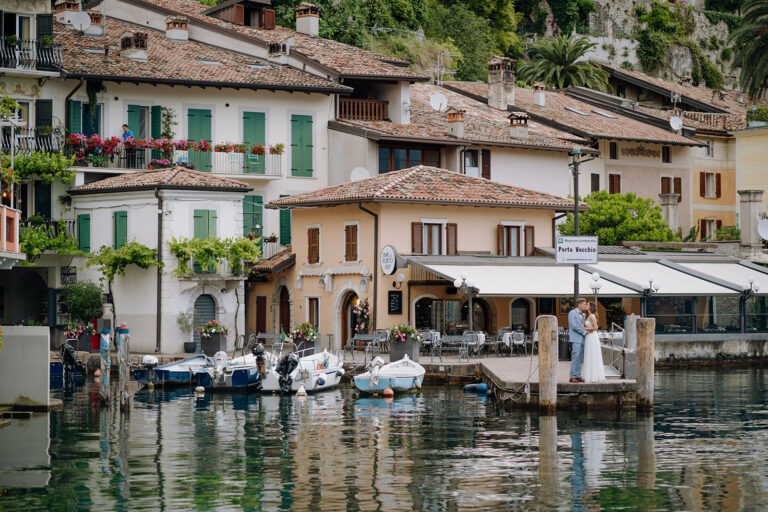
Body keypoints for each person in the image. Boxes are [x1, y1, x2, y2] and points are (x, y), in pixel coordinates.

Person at [583, 302, 606, 383]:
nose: (586, 305)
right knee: (590, 355)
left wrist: (585, 329)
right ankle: (591, 375)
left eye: (587, 304)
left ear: (591, 307)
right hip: (589, 336)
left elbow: (596, 327)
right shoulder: (588, 316)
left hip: (592, 337)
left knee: (592, 354)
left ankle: (593, 376)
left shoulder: (592, 316)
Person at [568, 298, 588, 383]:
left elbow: (582, 325)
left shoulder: (583, 314)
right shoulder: (572, 313)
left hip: (583, 338)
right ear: (579, 304)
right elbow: (574, 326)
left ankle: (578, 375)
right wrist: (584, 332)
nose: (585, 306)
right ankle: (572, 376)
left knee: (580, 358)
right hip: (576, 338)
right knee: (576, 357)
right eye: (584, 304)